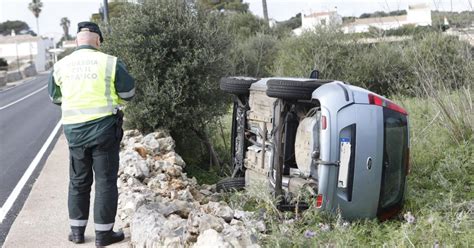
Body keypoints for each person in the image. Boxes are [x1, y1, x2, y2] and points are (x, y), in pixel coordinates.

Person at [48, 21, 135, 246]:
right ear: (98, 40)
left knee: (78, 181)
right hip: (104, 130)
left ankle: (77, 233)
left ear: (77, 41)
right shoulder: (110, 62)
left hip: (74, 132)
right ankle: (103, 235)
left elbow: (55, 97)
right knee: (105, 181)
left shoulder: (61, 65)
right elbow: (129, 92)